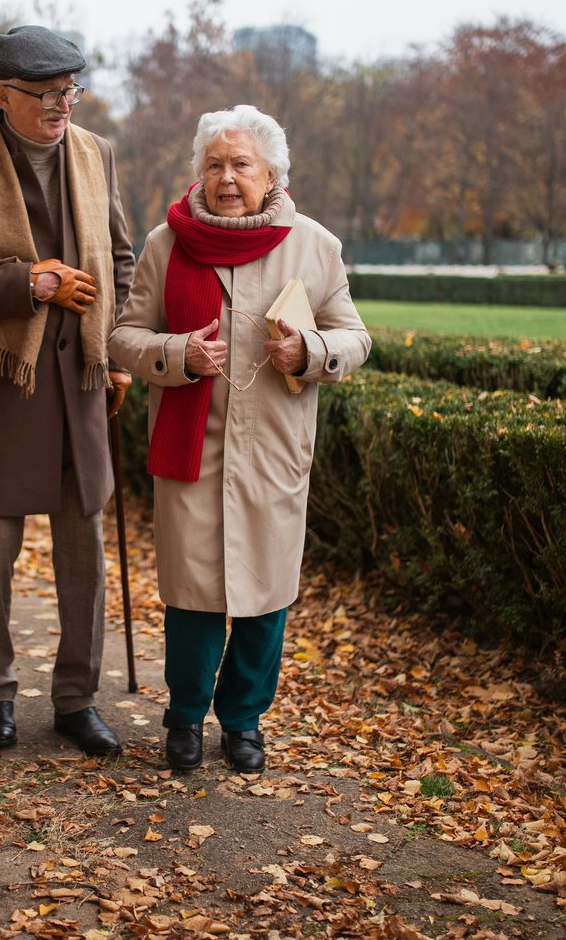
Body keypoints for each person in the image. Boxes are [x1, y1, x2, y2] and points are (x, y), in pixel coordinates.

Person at [107, 105, 372, 774]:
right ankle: (185, 719)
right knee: (193, 596)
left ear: (273, 173)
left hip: (273, 452)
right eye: (215, 165)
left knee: (265, 596)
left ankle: (245, 721)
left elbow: (355, 335)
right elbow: (124, 336)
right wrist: (177, 353)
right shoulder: (165, 244)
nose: (227, 178)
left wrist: (312, 350)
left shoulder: (315, 244)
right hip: (190, 451)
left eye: (241, 164)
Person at [0, 25, 135, 757]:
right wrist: (26, 283)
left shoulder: (98, 153)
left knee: (83, 551)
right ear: (1, 95)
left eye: (70, 91)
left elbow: (123, 261)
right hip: (2, 388)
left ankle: (77, 700)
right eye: (46, 94)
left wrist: (116, 353)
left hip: (81, 383)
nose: (61, 105)